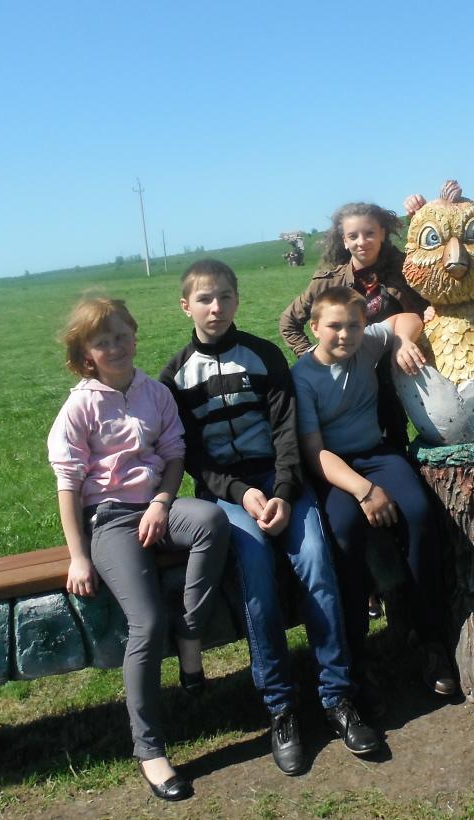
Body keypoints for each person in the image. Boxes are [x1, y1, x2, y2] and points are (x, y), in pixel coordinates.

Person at [159, 260, 380, 777]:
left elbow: (287, 432)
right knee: (256, 576)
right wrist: (243, 494)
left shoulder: (264, 356)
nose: (216, 308)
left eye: (225, 297)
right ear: (186, 306)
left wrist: (281, 491)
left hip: (282, 483)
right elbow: (194, 458)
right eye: (205, 299)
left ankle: (337, 695)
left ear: (237, 300)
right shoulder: (175, 376)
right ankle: (281, 707)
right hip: (228, 495)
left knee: (317, 564)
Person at [47, 296, 230, 802]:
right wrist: (78, 556)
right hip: (109, 520)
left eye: (121, 335)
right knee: (146, 622)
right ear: (86, 355)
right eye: (102, 342)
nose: (115, 347)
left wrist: (162, 502)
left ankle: (190, 633)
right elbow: (68, 484)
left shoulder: (155, 393)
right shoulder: (81, 406)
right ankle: (150, 750)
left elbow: (173, 456)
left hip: (157, 509)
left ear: (134, 335)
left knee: (211, 520)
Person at [291, 287, 457, 700]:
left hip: (376, 453)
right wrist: (364, 491)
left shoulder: (366, 343)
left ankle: (430, 638)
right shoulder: (303, 377)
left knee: (418, 514)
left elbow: (407, 318)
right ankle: (357, 652)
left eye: (354, 325)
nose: (345, 334)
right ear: (314, 327)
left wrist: (401, 341)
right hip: (334, 468)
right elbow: (314, 452)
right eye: (334, 326)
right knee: (345, 532)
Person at [279, 201, 428, 450]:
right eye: (353, 236)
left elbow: (435, 291)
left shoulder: (405, 271)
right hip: (348, 380)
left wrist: (420, 214)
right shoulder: (327, 282)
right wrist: (311, 357)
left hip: (395, 374)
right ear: (344, 241)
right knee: (347, 443)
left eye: (369, 233)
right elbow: (289, 322)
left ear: (382, 234)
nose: (362, 242)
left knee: (397, 440)